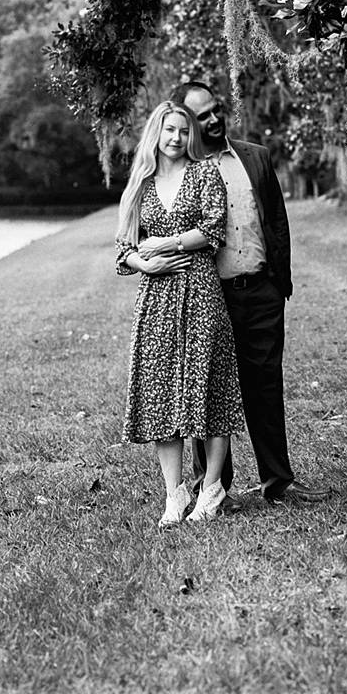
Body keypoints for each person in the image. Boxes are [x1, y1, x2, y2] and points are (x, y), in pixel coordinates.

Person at [173, 80, 329, 505]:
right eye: (201, 115)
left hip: (261, 291)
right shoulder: (181, 171)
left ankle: (278, 482)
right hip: (210, 296)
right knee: (208, 393)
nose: (213, 119)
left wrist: (280, 283)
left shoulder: (255, 158)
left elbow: (277, 222)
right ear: (186, 121)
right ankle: (213, 489)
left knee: (265, 386)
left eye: (215, 109)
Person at [116, 100, 246, 528]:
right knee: (158, 395)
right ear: (156, 132)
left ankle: (211, 488)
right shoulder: (141, 182)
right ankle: (174, 494)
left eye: (183, 131)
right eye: (169, 130)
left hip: (202, 291)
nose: (176, 138)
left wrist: (164, 244)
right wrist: (144, 263)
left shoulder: (205, 172)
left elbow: (213, 230)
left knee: (209, 387)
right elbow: (124, 250)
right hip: (155, 298)